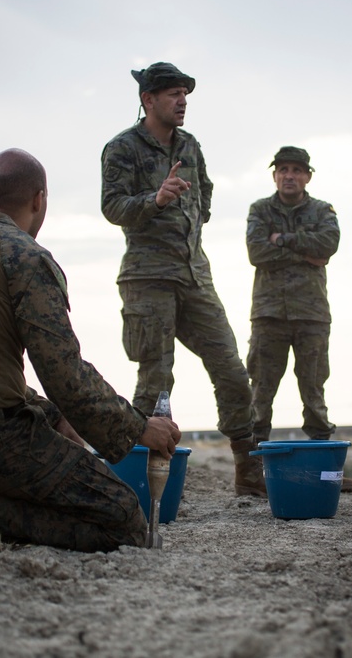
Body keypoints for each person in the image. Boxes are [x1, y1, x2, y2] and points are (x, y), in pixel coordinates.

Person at [0, 148, 181, 552]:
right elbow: (64, 372)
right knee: (121, 519)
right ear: (38, 200)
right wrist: (139, 427)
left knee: (46, 434)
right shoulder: (22, 254)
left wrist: (53, 414)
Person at [100, 62, 264, 497]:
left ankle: (248, 471)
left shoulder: (190, 146)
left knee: (230, 368)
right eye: (173, 94)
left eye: (185, 94)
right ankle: (134, 481)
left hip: (194, 274)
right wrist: (154, 200)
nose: (182, 101)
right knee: (156, 381)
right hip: (148, 277)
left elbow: (203, 196)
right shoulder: (122, 148)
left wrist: (187, 226)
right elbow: (112, 206)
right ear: (148, 100)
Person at [245, 146, 352, 492]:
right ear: (274, 174)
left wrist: (282, 240)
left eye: (296, 170)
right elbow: (255, 251)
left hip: (312, 315)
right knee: (260, 396)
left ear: (308, 176)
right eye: (283, 169)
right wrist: (306, 253)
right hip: (269, 315)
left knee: (314, 394)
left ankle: (325, 474)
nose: (289, 175)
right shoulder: (260, 210)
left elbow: (329, 244)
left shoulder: (322, 210)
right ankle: (252, 477)